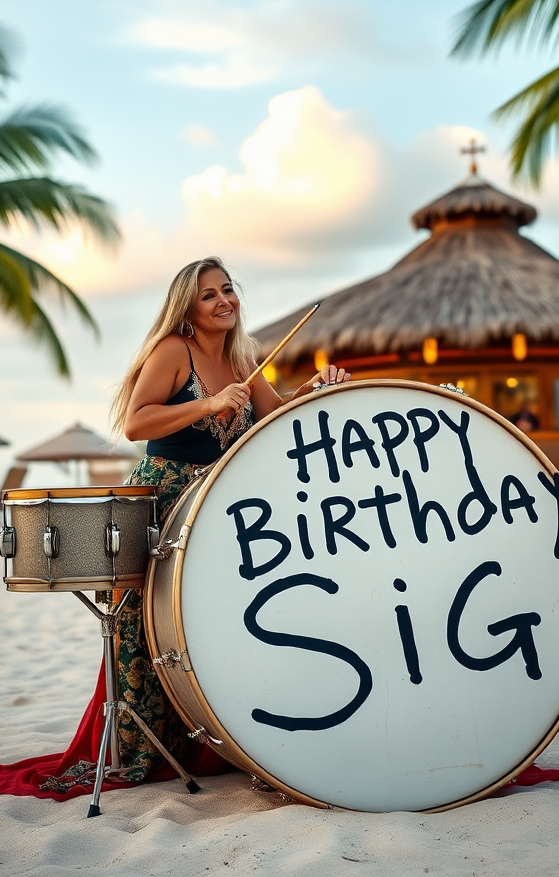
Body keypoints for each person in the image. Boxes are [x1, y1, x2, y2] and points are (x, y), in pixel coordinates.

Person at [43, 256, 350, 794]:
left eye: (228, 290)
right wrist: (207, 403)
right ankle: (145, 741)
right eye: (209, 294)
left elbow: (276, 415)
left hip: (223, 503)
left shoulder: (244, 356)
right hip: (167, 497)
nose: (223, 301)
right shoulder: (172, 351)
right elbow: (136, 422)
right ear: (187, 306)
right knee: (149, 620)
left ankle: (221, 728)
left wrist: (317, 389)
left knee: (221, 615)